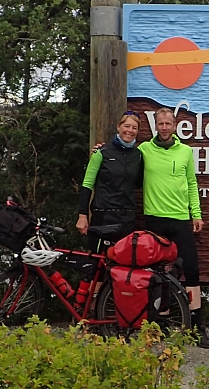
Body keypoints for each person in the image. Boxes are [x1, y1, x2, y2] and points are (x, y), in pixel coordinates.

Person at [137, 107, 209, 349]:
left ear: (174, 125)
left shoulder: (185, 151)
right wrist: (100, 150)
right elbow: (122, 155)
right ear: (155, 126)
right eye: (160, 124)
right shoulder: (144, 150)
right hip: (154, 220)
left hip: (180, 219)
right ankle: (157, 324)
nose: (164, 127)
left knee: (191, 271)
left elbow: (192, 183)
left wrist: (197, 214)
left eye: (168, 123)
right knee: (155, 276)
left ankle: (196, 326)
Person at [75, 112, 143, 307]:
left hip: (127, 219)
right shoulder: (101, 153)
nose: (130, 131)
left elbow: (140, 183)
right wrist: (82, 215)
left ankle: (116, 312)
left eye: (134, 128)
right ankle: (89, 311)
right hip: (103, 217)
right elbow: (87, 185)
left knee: (124, 267)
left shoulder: (138, 155)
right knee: (97, 266)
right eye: (127, 126)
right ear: (119, 127)